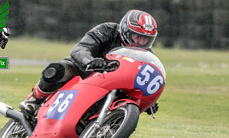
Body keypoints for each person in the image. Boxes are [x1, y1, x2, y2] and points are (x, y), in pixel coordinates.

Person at [19, 10, 159, 116]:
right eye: (137, 36)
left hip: (112, 83)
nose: (141, 42)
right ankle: (35, 100)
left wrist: (147, 100)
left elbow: (145, 78)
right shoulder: (107, 30)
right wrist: (90, 61)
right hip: (85, 70)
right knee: (56, 70)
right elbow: (80, 48)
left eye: (145, 39)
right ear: (126, 31)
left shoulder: (146, 55)